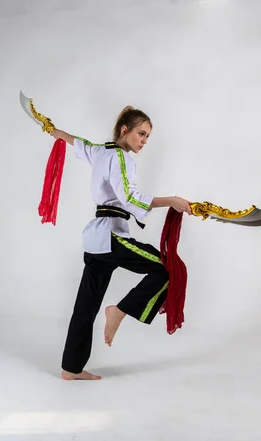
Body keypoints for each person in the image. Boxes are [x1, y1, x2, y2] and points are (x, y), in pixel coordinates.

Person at [48, 106, 193, 381]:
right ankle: (120, 311)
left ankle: (71, 368)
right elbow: (129, 197)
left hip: (94, 241)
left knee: (85, 307)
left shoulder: (99, 151)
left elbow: (73, 140)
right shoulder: (119, 156)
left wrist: (49, 127)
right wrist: (171, 201)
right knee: (166, 268)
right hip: (111, 236)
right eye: (141, 133)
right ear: (124, 130)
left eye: (147, 136)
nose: (144, 141)